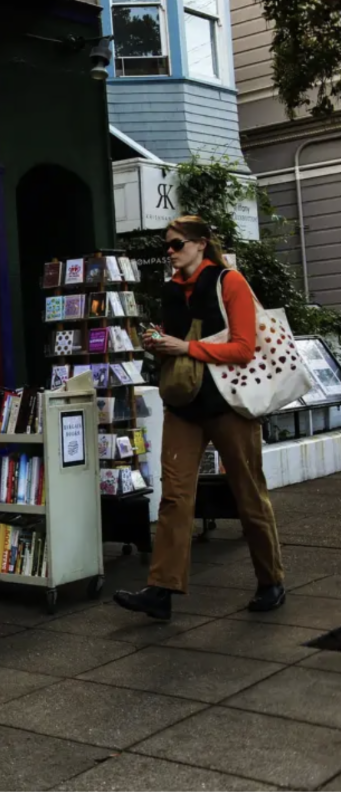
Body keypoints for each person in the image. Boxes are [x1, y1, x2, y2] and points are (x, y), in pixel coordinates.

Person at [114, 215, 286, 621]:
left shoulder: (229, 281)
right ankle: (162, 590)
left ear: (200, 244)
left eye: (176, 245)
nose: (170, 253)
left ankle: (271, 580)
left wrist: (185, 347)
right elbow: (174, 345)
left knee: (248, 492)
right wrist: (158, 344)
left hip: (229, 403)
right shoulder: (171, 290)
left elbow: (244, 348)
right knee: (174, 497)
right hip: (184, 405)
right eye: (167, 246)